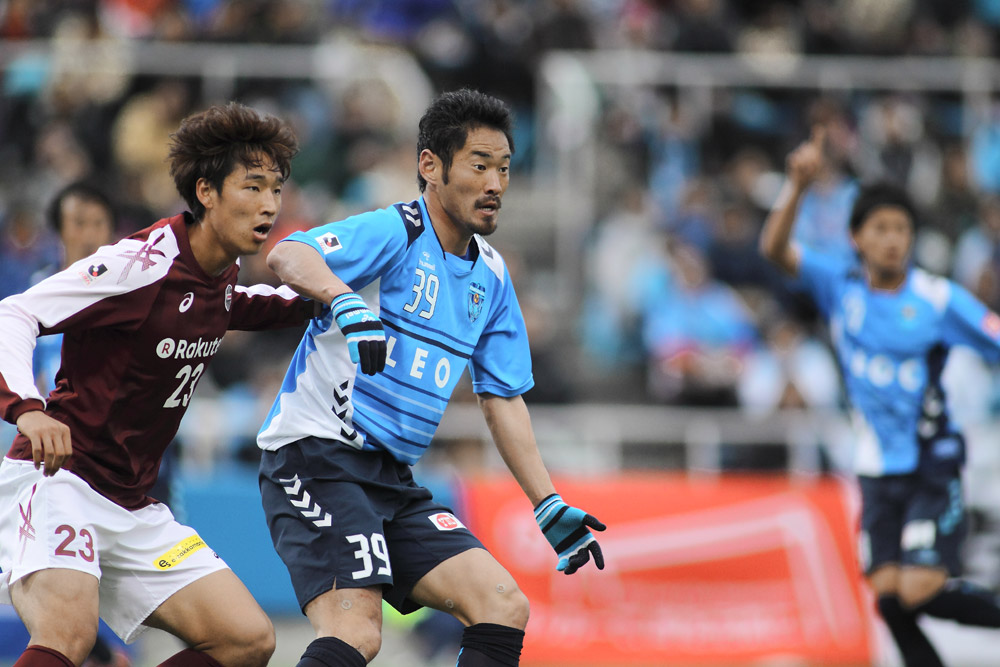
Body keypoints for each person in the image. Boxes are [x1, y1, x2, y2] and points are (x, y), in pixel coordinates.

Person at [257, 88, 606, 667]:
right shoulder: (397, 231)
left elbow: (503, 398)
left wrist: (546, 501)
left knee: (502, 605)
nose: (495, 184)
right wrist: (345, 301)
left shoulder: (492, 275)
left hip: (392, 480)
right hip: (317, 458)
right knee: (357, 632)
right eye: (479, 165)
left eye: (504, 168)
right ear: (430, 166)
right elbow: (287, 254)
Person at [0, 101, 313, 667]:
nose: (269, 204)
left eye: (276, 189)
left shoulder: (222, 275)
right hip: (59, 479)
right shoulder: (139, 264)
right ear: (206, 192)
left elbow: (249, 304)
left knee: (246, 639)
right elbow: (14, 313)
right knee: (67, 636)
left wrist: (338, 295)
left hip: (133, 503)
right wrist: (28, 409)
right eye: (252, 187)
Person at [760, 127, 1000, 667]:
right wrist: (796, 187)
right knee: (888, 597)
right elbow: (773, 249)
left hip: (931, 464)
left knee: (917, 590)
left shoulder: (937, 299)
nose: (893, 239)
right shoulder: (840, 286)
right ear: (856, 238)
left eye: (902, 229)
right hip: (874, 468)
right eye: (881, 228)